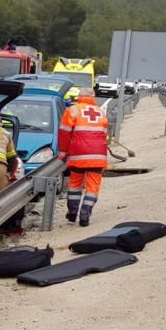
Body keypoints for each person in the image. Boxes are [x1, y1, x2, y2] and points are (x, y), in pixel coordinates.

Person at [58, 87, 108, 226]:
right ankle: (85, 215)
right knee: (93, 187)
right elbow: (104, 134)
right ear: (93, 97)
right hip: (98, 156)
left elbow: (64, 132)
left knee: (75, 184)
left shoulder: (72, 110)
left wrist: (63, 152)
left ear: (79, 96)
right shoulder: (101, 112)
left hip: (78, 154)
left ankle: (72, 213)